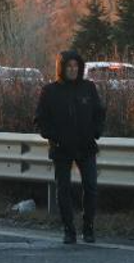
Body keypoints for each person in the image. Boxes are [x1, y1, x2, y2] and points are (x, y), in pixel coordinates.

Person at [35, 50, 106, 245]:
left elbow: (99, 112)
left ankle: (88, 228)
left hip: (86, 145)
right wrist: (54, 138)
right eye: (69, 66)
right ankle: (69, 230)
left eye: (76, 66)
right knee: (63, 190)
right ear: (61, 68)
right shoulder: (50, 91)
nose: (73, 70)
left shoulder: (88, 88)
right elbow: (40, 120)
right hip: (61, 148)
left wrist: (96, 132)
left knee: (91, 187)